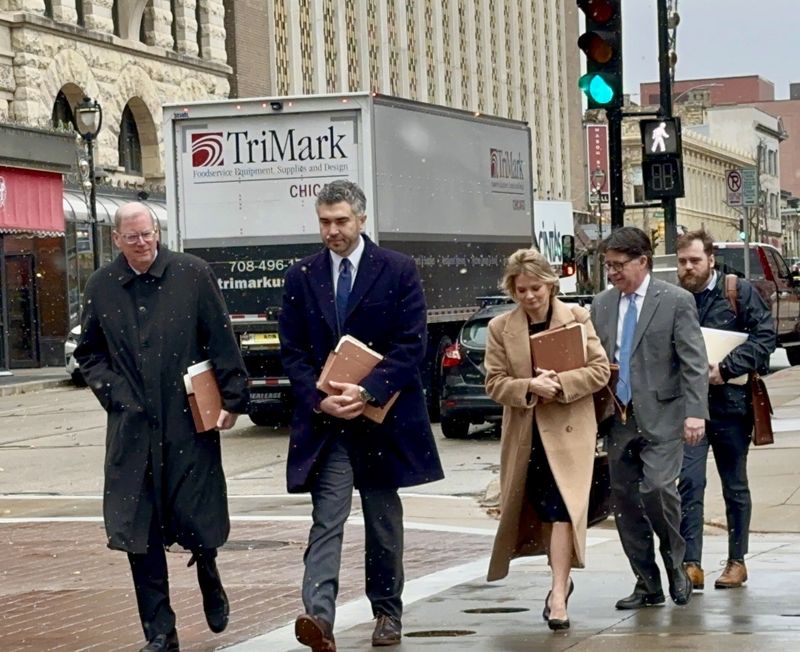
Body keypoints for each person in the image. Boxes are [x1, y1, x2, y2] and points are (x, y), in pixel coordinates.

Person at [74, 202, 249, 652]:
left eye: (148, 233)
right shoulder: (102, 286)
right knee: (139, 530)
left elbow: (220, 338)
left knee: (196, 514)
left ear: (158, 231)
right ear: (116, 239)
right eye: (132, 236)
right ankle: (159, 631)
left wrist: (233, 397)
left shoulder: (192, 274)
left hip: (186, 419)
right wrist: (115, 393)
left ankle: (208, 569)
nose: (142, 243)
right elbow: (89, 353)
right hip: (132, 429)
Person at [278, 180, 444, 651]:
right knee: (327, 519)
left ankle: (387, 613)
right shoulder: (302, 276)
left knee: (382, 522)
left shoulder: (397, 269)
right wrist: (319, 398)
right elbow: (292, 351)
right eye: (325, 222)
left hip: (381, 422)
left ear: (362, 219)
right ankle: (318, 617)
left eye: (341, 221)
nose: (332, 231)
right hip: (327, 424)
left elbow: (412, 344)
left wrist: (368, 389)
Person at [484, 249, 611, 631]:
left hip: (569, 433)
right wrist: (529, 386)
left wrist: (560, 384)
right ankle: (560, 579)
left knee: (561, 510)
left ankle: (558, 593)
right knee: (541, 510)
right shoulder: (500, 328)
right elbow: (494, 383)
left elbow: (600, 370)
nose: (529, 296)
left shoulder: (577, 317)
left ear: (550, 285)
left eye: (536, 288)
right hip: (527, 436)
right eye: (521, 290)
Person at [589, 226, 708, 610]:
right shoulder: (602, 304)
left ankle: (676, 564)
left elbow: (693, 361)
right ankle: (647, 583)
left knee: (657, 489)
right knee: (625, 504)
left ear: (643, 261)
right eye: (607, 265)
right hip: (618, 419)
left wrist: (695, 413)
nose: (612, 273)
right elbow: (595, 361)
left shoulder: (674, 301)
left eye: (618, 265)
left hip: (664, 416)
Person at [676, 229, 775, 590]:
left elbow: (765, 338)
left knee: (734, 484)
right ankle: (691, 562)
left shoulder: (737, 292)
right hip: (690, 406)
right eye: (682, 261)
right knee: (689, 482)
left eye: (695, 260)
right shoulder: (675, 299)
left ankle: (737, 560)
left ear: (711, 260)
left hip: (731, 405)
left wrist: (726, 368)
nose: (688, 267)